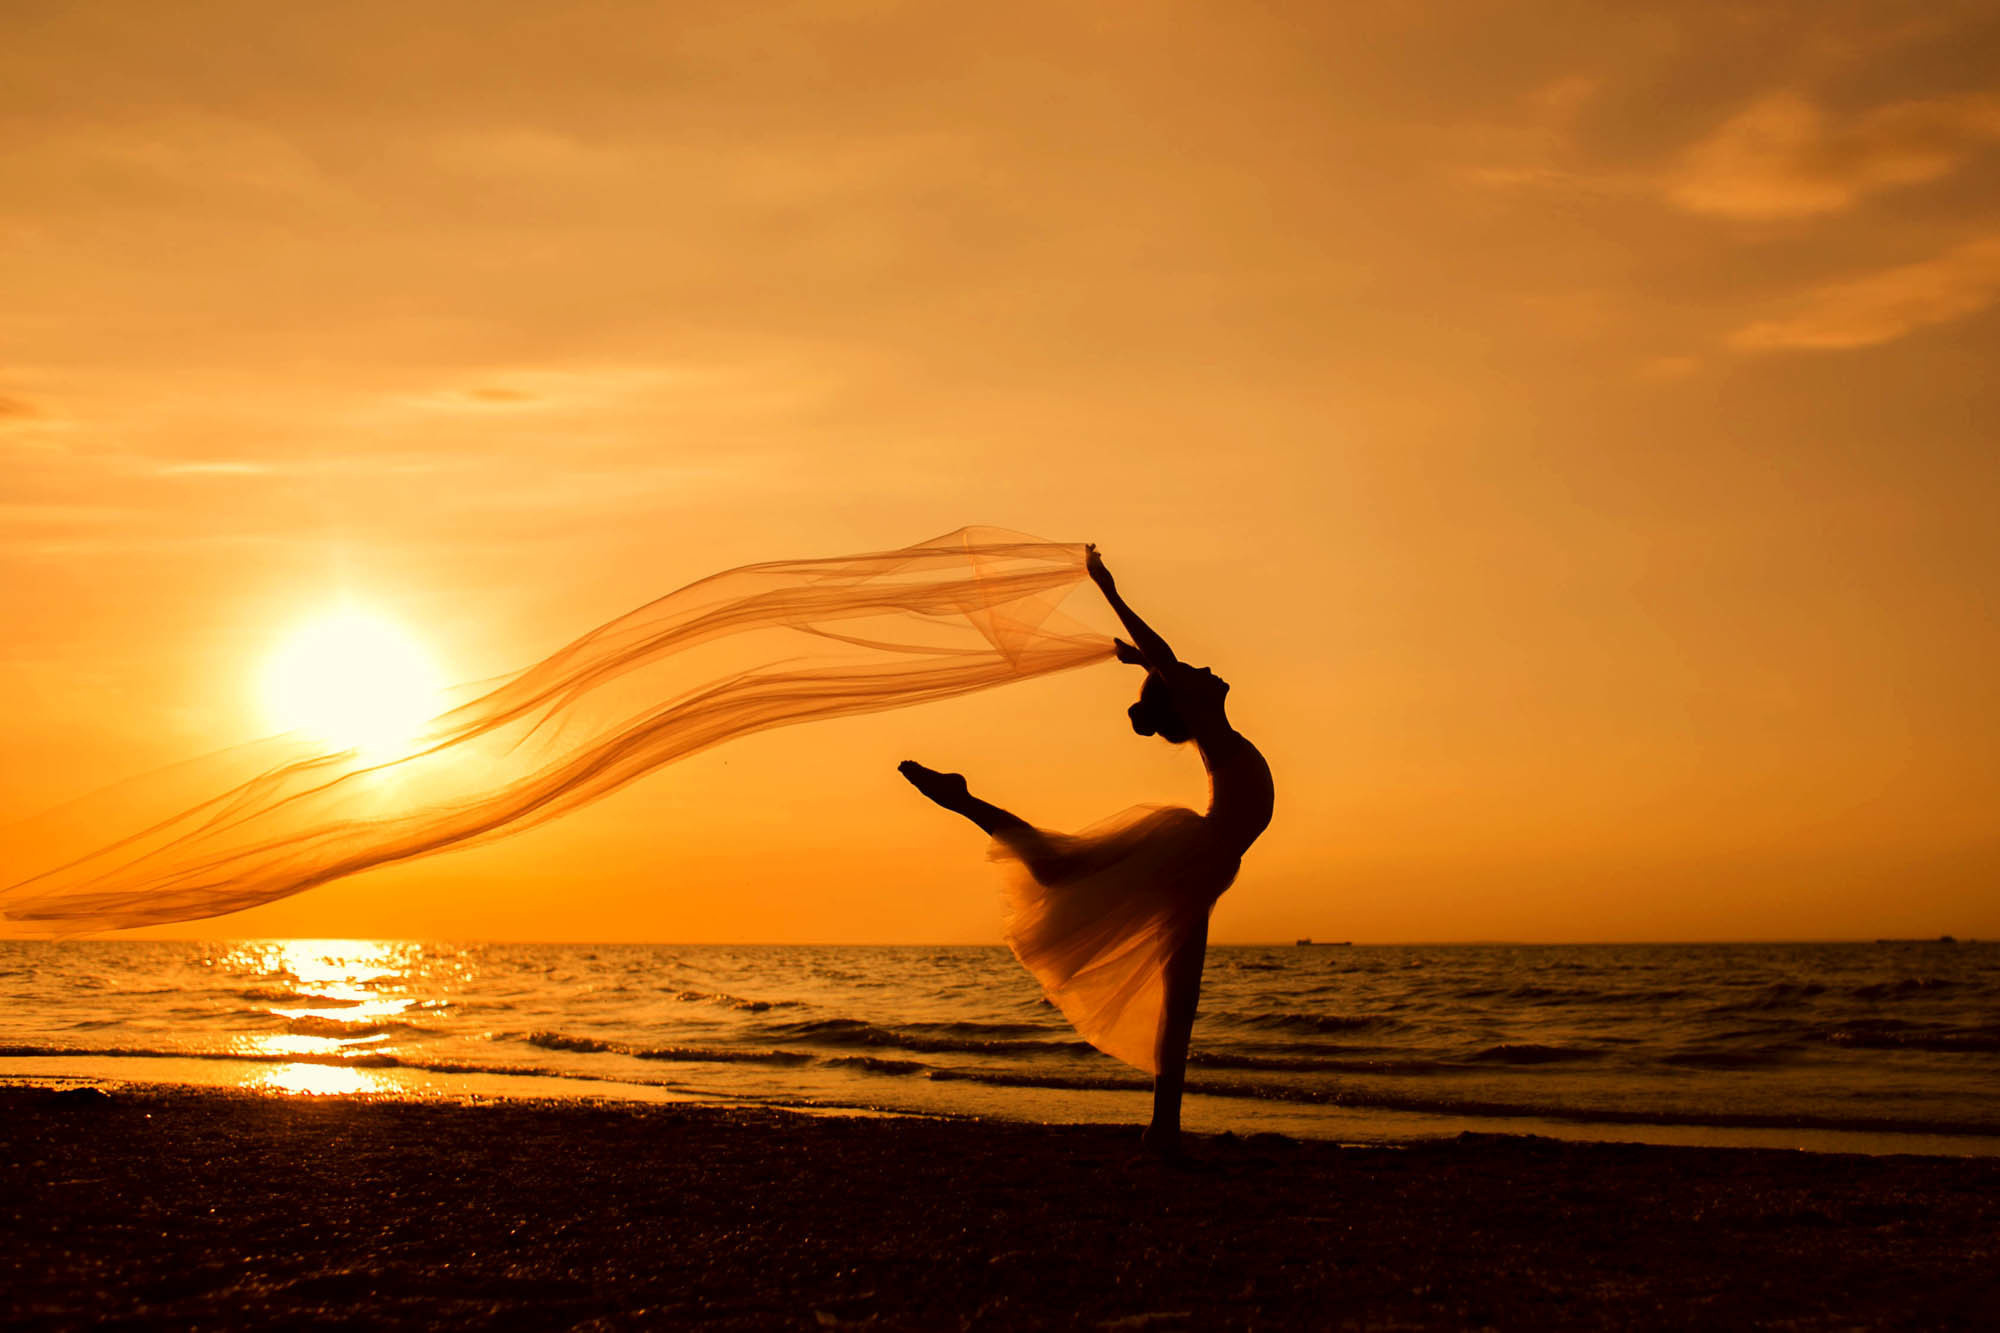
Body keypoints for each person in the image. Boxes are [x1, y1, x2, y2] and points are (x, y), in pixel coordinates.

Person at [899, 544, 1274, 1156]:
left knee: (1165, 980)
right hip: (1194, 855)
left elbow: (1163, 664)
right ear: (1187, 701)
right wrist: (1109, 590)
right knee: (1082, 894)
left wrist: (1135, 661)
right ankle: (965, 801)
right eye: (1193, 678)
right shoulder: (1211, 726)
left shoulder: (1210, 725)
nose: (1208, 673)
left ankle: (1165, 1127)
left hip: (1204, 861)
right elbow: (1166, 658)